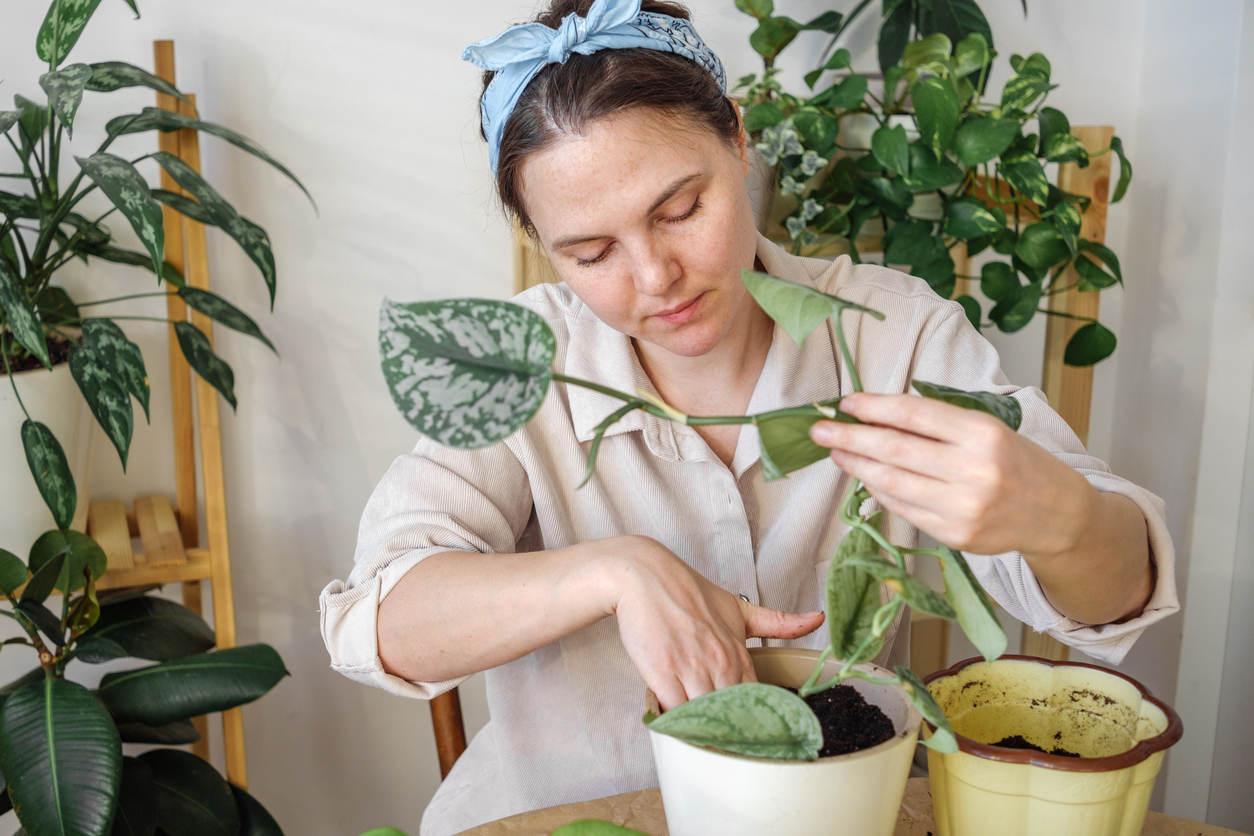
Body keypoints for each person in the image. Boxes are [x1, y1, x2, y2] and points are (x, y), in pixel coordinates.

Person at [319, 1, 1178, 833]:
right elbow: (377, 621)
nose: (656, 277)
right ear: (541, 241)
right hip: (559, 820)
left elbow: (1119, 593)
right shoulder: (524, 365)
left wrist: (1058, 516)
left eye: (681, 210)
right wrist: (616, 573)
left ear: (736, 135)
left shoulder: (893, 336)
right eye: (591, 252)